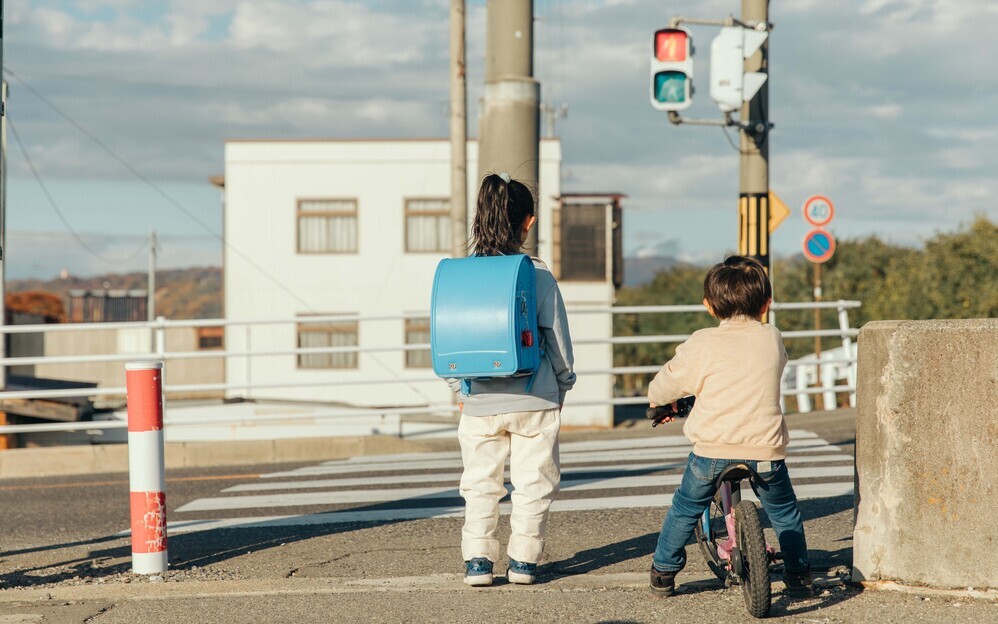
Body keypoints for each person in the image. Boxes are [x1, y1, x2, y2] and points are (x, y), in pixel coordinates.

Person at [645, 255, 814, 598]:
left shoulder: (702, 342)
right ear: (766, 304)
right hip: (765, 451)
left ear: (709, 306)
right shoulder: (772, 338)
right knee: (784, 511)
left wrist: (658, 400)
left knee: (685, 508)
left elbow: (664, 386)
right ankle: (798, 574)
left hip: (712, 453)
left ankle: (663, 571)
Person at [452, 172, 576, 587]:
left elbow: (449, 337)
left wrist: (459, 389)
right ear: (528, 223)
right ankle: (523, 561)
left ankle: (478, 561)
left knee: (479, 485)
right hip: (534, 398)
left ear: (480, 217)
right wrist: (563, 384)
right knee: (534, 483)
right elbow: (557, 340)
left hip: (478, 399)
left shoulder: (461, 275)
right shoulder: (537, 274)